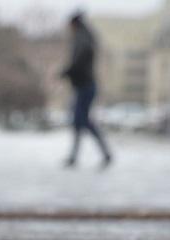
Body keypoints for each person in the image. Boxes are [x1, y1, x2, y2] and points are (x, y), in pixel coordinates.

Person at [61, 12, 111, 169]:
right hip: (83, 85)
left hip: (85, 86)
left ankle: (105, 154)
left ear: (74, 24)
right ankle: (75, 157)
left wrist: (68, 71)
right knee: (78, 121)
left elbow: (80, 60)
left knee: (83, 121)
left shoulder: (82, 38)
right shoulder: (85, 36)